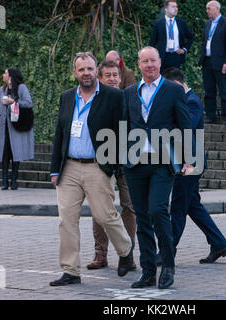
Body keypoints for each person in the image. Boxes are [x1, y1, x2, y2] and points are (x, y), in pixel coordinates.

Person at [49, 52, 134, 286]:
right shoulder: (67, 97)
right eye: (81, 69)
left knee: (104, 216)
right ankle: (71, 270)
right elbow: (60, 134)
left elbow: (123, 132)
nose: (86, 73)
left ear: (96, 70)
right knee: (66, 219)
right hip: (69, 168)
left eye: (89, 68)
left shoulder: (113, 96)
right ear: (75, 72)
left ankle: (126, 252)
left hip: (98, 167)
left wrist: (113, 165)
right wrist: (54, 170)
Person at [122, 46, 192, 289]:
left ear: (160, 63)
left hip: (162, 163)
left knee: (158, 212)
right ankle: (148, 271)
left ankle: (168, 266)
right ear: (138, 64)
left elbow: (186, 125)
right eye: (144, 61)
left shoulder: (173, 90)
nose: (149, 65)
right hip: (135, 163)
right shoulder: (129, 92)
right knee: (142, 217)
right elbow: (124, 125)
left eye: (153, 60)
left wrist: (188, 158)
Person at [160, 67, 226, 264]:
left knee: (177, 206)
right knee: (192, 205)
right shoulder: (184, 100)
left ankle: (168, 251)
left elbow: (185, 128)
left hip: (190, 162)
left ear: (176, 85)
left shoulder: (191, 101)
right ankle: (219, 243)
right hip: (185, 160)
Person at [86, 60, 137, 271]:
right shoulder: (95, 100)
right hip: (103, 161)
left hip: (127, 162)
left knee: (130, 207)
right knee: (100, 209)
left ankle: (128, 254)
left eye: (115, 75)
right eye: (108, 75)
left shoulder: (131, 97)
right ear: (100, 78)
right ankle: (100, 254)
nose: (112, 79)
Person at [0, 67, 34, 190]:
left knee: (15, 153)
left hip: (16, 126)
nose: (3, 75)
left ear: (11, 76)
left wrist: (13, 102)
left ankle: (14, 181)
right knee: (4, 154)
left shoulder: (22, 88)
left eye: (5, 73)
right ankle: (4, 181)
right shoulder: (2, 90)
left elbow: (28, 103)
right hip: (3, 128)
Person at [198, 0, 226, 124]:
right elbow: (204, 41)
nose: (207, 11)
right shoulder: (207, 23)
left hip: (220, 63)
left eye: (209, 8)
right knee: (209, 91)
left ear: (216, 9)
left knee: (223, 91)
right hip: (207, 61)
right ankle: (210, 116)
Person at [149, 0, 194, 72]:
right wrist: (153, 57)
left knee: (174, 81)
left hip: (176, 56)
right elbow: (152, 42)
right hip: (162, 57)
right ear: (166, 9)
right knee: (162, 81)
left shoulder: (181, 23)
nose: (176, 9)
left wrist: (184, 49)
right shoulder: (158, 23)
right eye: (173, 7)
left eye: (176, 7)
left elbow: (191, 37)